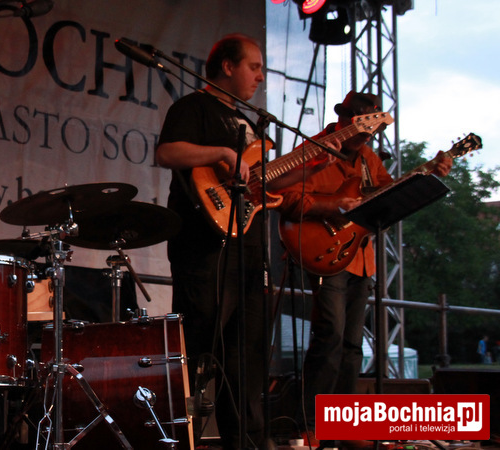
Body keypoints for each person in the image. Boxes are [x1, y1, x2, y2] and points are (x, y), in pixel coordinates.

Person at [156, 33, 314, 449]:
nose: (261, 77)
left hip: (249, 250)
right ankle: (174, 437)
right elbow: (167, 153)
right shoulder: (193, 107)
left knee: (247, 360)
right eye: (254, 67)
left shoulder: (252, 123)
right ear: (227, 66)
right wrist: (224, 154)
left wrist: (318, 162)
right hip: (204, 247)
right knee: (196, 349)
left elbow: (267, 183)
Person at [273, 90, 453, 447]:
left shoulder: (369, 158)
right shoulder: (314, 149)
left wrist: (428, 171)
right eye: (362, 129)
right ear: (345, 119)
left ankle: (342, 424)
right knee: (330, 336)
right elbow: (285, 198)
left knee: (353, 346)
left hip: (359, 256)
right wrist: (334, 206)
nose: (366, 137)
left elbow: (387, 194)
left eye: (371, 132)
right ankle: (309, 424)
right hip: (324, 251)